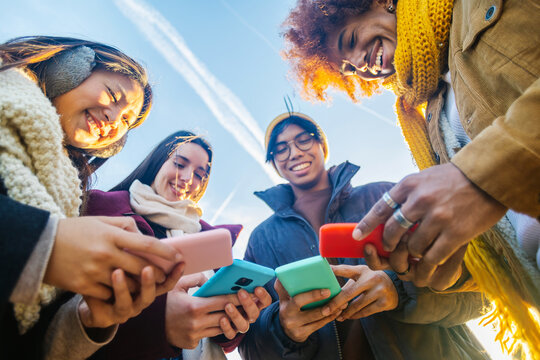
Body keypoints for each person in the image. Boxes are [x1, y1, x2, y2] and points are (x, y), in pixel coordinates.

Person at [282, 0, 540, 354]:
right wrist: (437, 273)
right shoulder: (429, 121)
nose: (358, 64)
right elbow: (495, 257)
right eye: (347, 67)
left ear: (382, 3)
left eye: (352, 39)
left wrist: (480, 178)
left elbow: (481, 188)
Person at [239, 112, 488, 360]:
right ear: (273, 162)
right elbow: (249, 347)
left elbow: (480, 291)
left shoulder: (386, 196)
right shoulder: (261, 240)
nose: (294, 153)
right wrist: (283, 329)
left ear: (322, 145)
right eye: (280, 149)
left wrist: (399, 290)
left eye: (304, 139)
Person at [0, 36, 184, 359]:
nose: (114, 119)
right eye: (113, 96)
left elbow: (33, 342)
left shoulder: (71, 198)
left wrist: (87, 320)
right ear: (69, 66)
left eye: (125, 121)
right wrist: (46, 247)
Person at [84, 130, 272, 360]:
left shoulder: (210, 241)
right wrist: (162, 321)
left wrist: (234, 319)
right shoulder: (99, 209)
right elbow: (73, 308)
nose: (187, 178)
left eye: (199, 175)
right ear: (158, 161)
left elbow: (220, 336)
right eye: (180, 164)